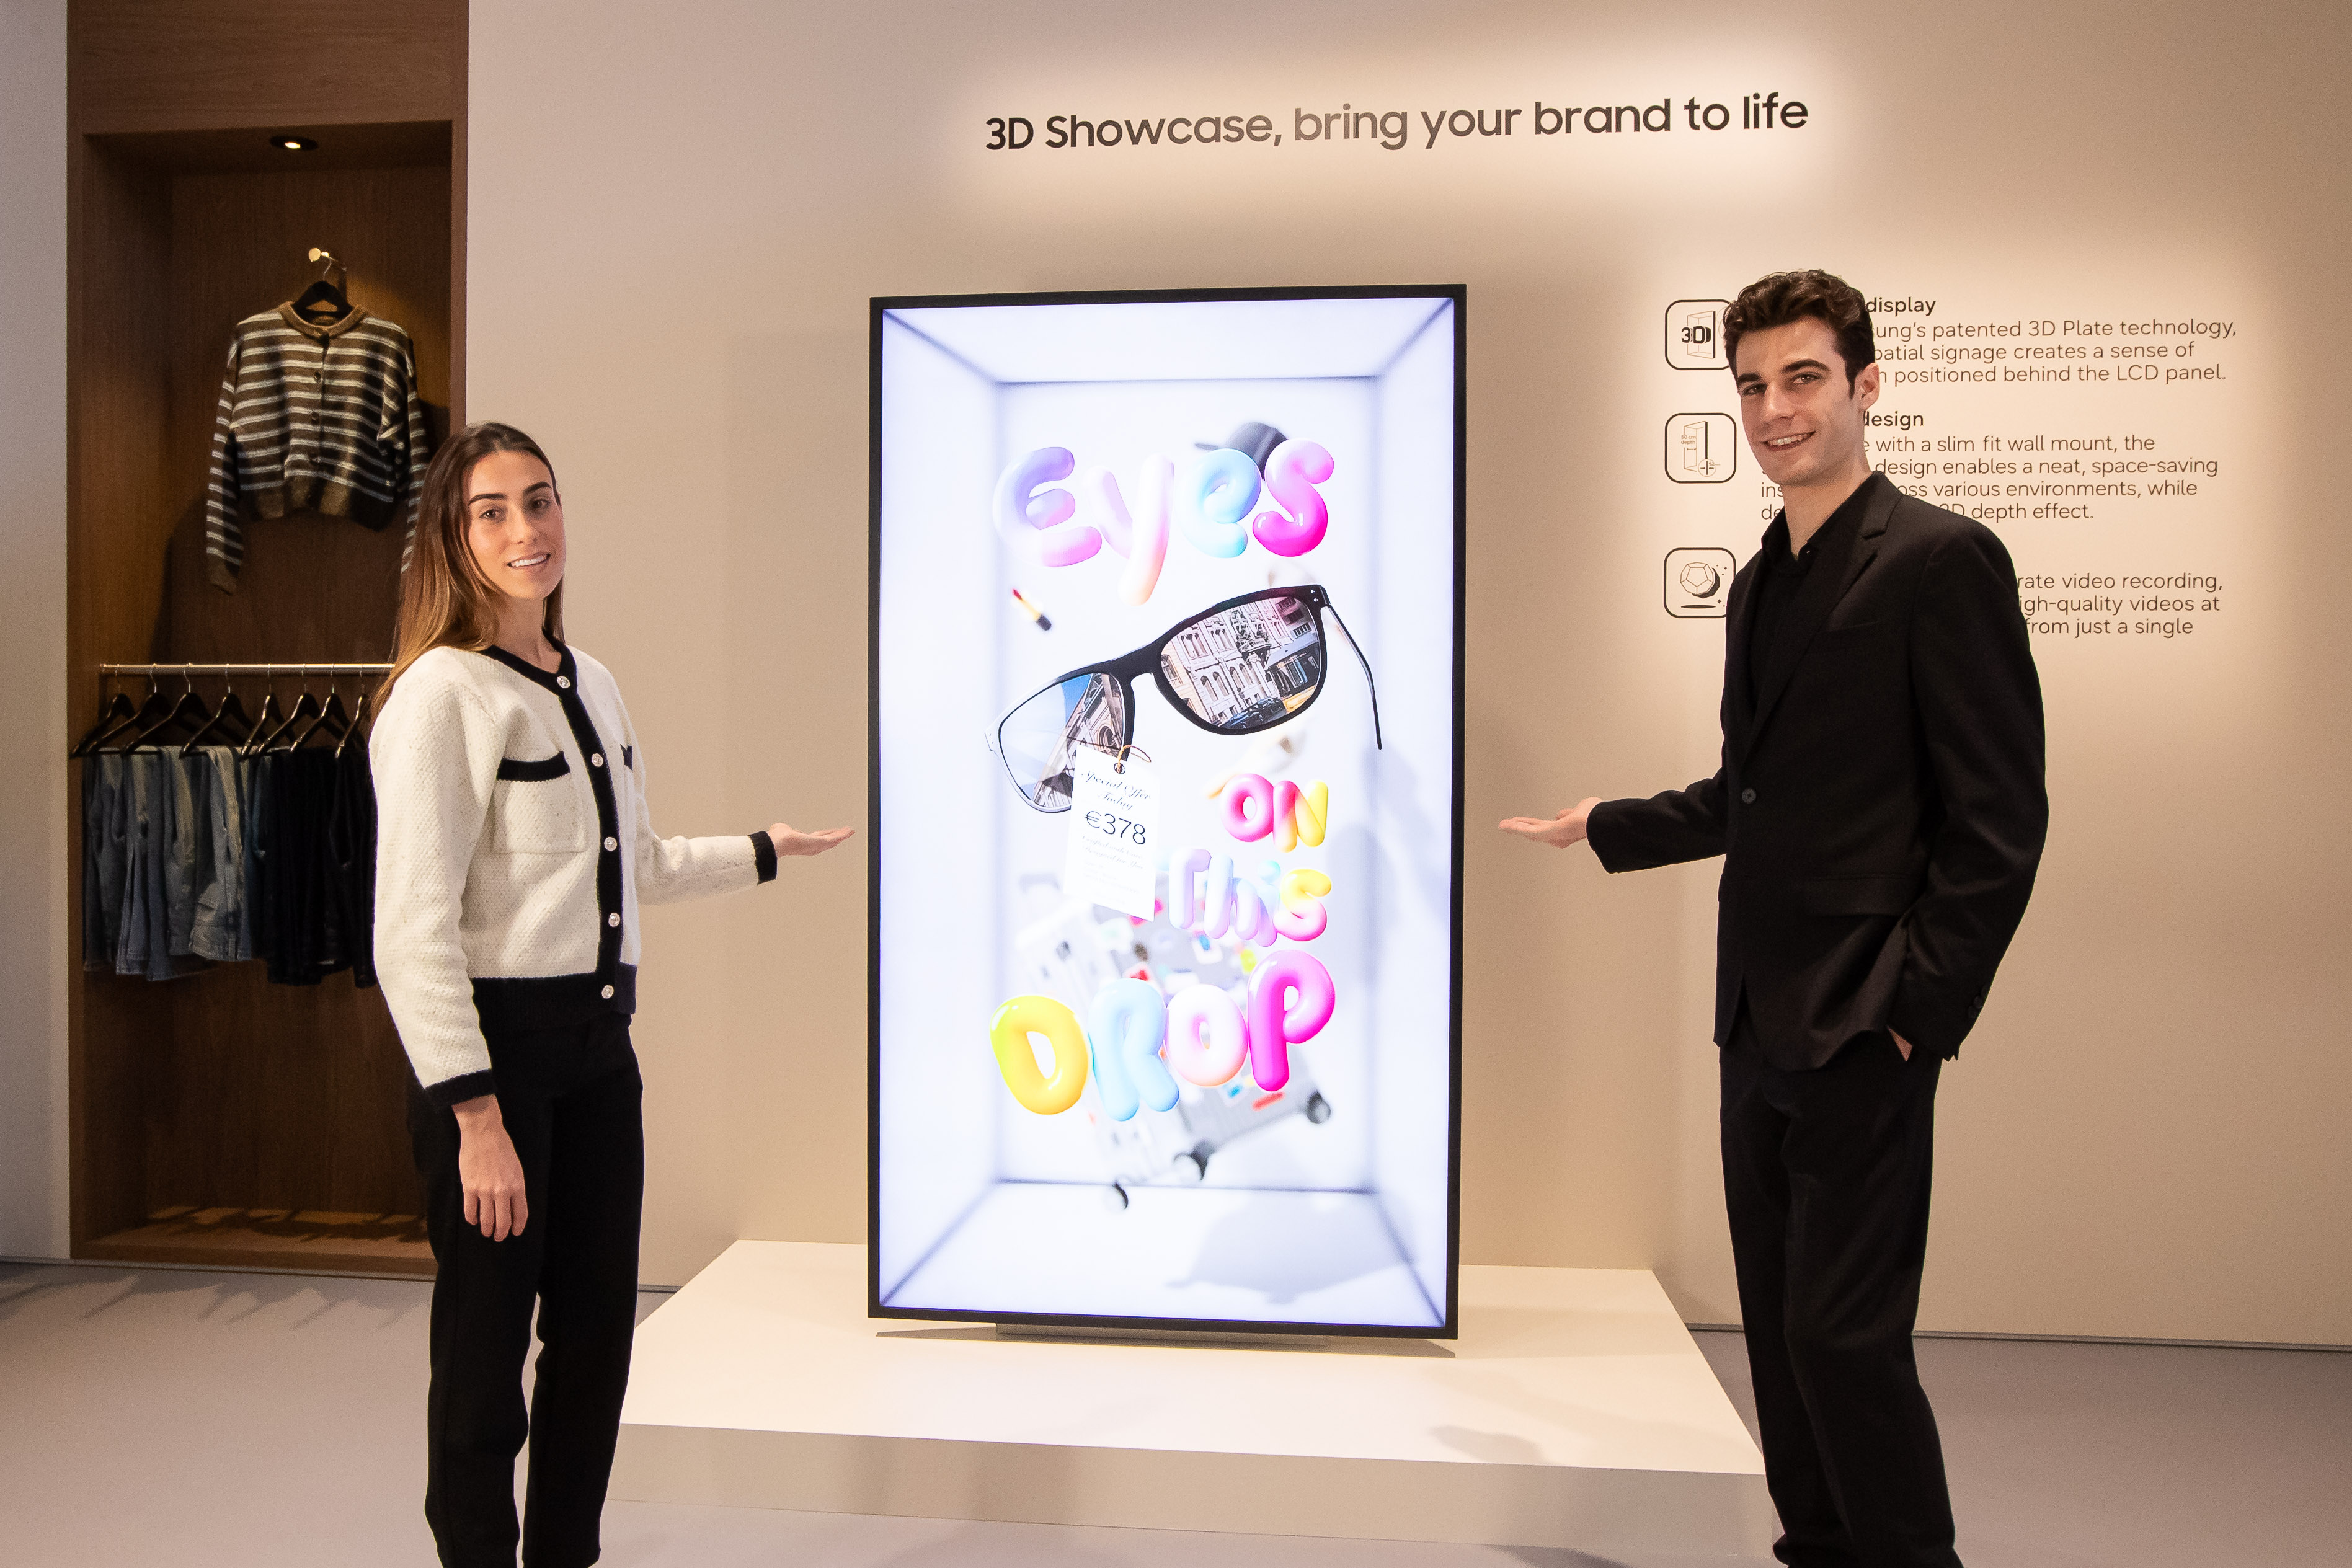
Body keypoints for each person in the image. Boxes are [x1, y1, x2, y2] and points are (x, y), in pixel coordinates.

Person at [1501, 271, 2046, 1568]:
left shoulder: (1939, 559)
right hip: (1755, 1012)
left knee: (1845, 1336)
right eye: (1751, 385)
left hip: (1864, 1014)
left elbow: (1999, 817)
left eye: (1801, 378)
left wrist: (1917, 1012)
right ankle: (1818, 1548)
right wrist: (1611, 822)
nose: (1772, 409)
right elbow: (1753, 789)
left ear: (1865, 384)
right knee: (1781, 1332)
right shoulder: (1760, 581)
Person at [370, 422, 852, 1567]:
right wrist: (475, 1117)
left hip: (598, 1058)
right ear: (452, 536)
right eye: (492, 511)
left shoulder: (592, 684)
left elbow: (637, 863)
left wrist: (764, 850)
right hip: (494, 1068)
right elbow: (409, 930)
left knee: (595, 1339)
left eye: (539, 501)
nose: (525, 530)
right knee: (484, 1354)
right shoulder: (441, 695)